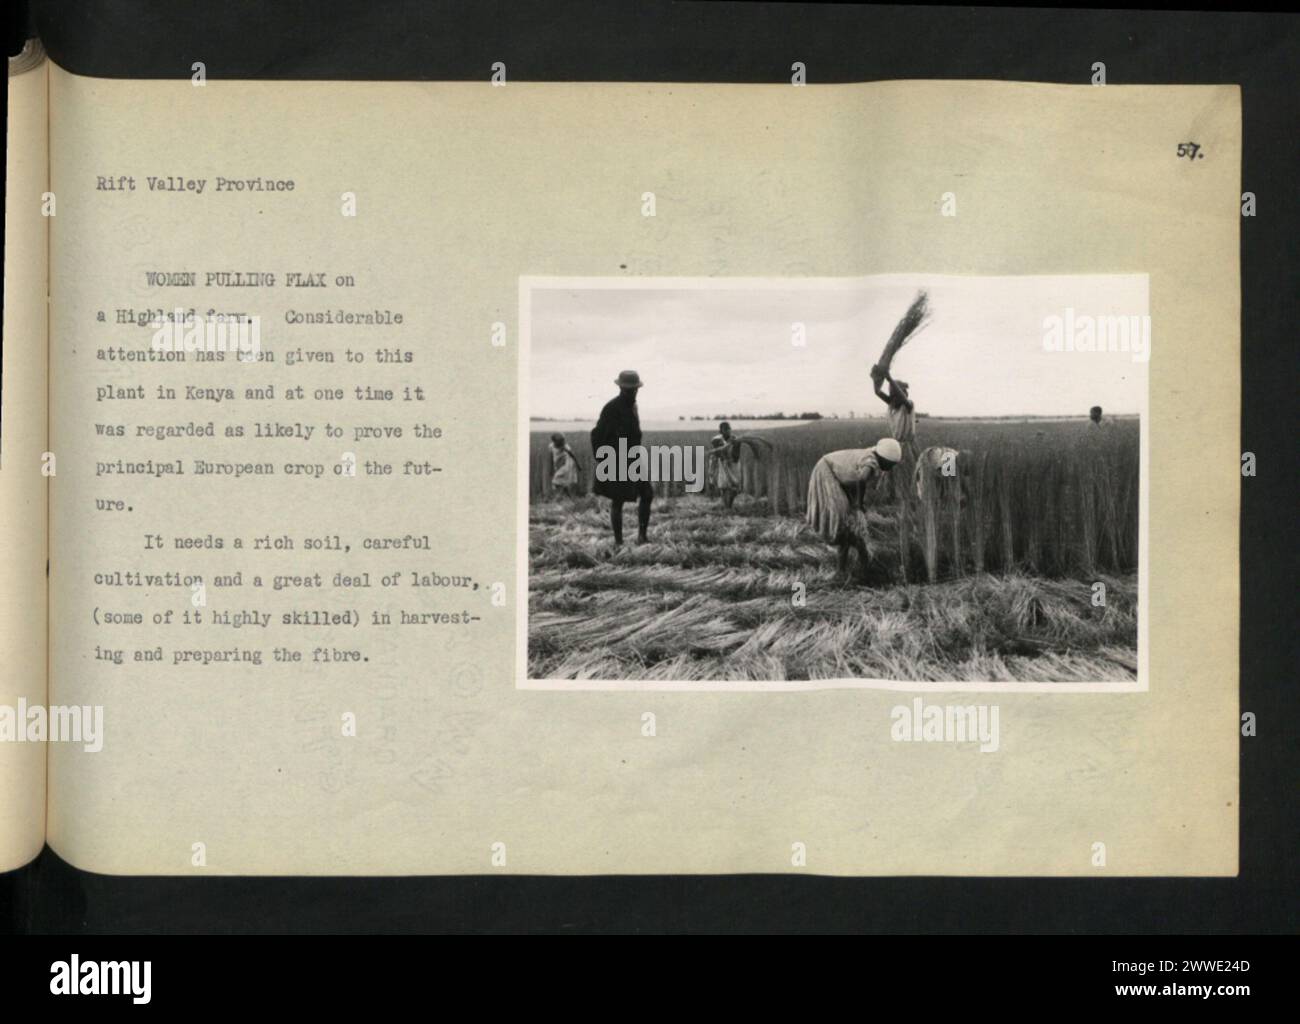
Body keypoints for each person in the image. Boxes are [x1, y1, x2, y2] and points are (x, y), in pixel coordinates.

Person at [806, 437, 903, 579]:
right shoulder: (870, 462)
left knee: (852, 524)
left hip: (841, 479)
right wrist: (857, 504)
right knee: (842, 518)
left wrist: (859, 503)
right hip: (827, 472)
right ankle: (845, 569)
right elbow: (861, 480)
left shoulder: (871, 456)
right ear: (884, 459)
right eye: (890, 464)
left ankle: (862, 564)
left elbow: (858, 483)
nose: (891, 468)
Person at [591, 370, 653, 545]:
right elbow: (596, 434)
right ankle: (619, 542)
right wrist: (604, 459)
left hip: (633, 458)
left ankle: (642, 537)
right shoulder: (611, 408)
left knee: (647, 494)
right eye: (628, 389)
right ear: (621, 388)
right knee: (618, 501)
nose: (633, 392)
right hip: (616, 460)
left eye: (634, 389)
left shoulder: (633, 406)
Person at [707, 421, 744, 509]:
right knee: (723, 485)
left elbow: (736, 456)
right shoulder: (716, 440)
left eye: (729, 429)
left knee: (735, 485)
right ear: (721, 431)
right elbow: (718, 453)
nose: (728, 431)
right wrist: (723, 457)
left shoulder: (735, 439)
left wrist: (731, 456)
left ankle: (729, 504)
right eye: (725, 429)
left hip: (733, 464)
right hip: (722, 463)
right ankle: (727, 506)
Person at [549, 432, 580, 497]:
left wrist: (578, 465)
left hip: (567, 464)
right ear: (554, 442)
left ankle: (560, 496)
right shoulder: (551, 446)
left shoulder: (565, 447)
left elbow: (572, 455)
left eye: (562, 441)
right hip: (558, 464)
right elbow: (551, 457)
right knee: (563, 482)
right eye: (559, 441)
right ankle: (569, 497)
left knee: (555, 480)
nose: (562, 443)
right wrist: (551, 468)